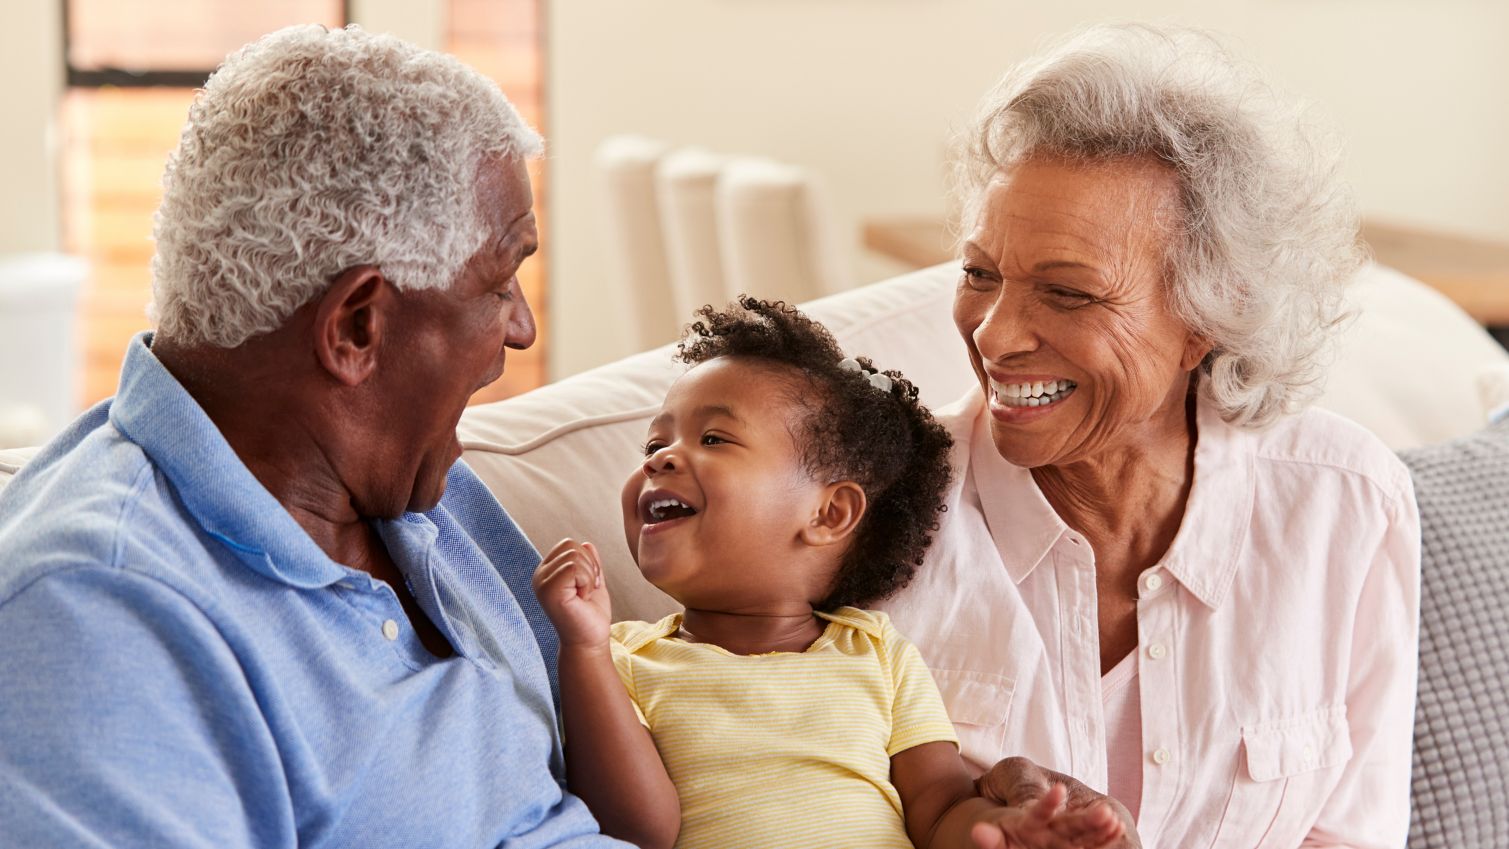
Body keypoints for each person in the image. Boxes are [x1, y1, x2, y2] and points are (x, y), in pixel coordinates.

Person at [0, 25, 627, 848]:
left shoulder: (415, 490)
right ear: (358, 326)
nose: (520, 326)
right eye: (499, 281)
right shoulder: (98, 612)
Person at [880, 23, 1421, 849]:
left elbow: (1348, 832)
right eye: (980, 274)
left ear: (1206, 321)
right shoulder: (876, 515)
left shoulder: (1343, 500)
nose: (992, 335)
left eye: (1065, 293)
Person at [532, 297, 1127, 849]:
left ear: (828, 513)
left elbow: (941, 810)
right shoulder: (621, 660)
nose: (660, 457)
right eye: (653, 445)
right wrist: (582, 648)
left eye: (713, 438)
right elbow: (638, 830)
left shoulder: (878, 654)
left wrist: (1010, 827)